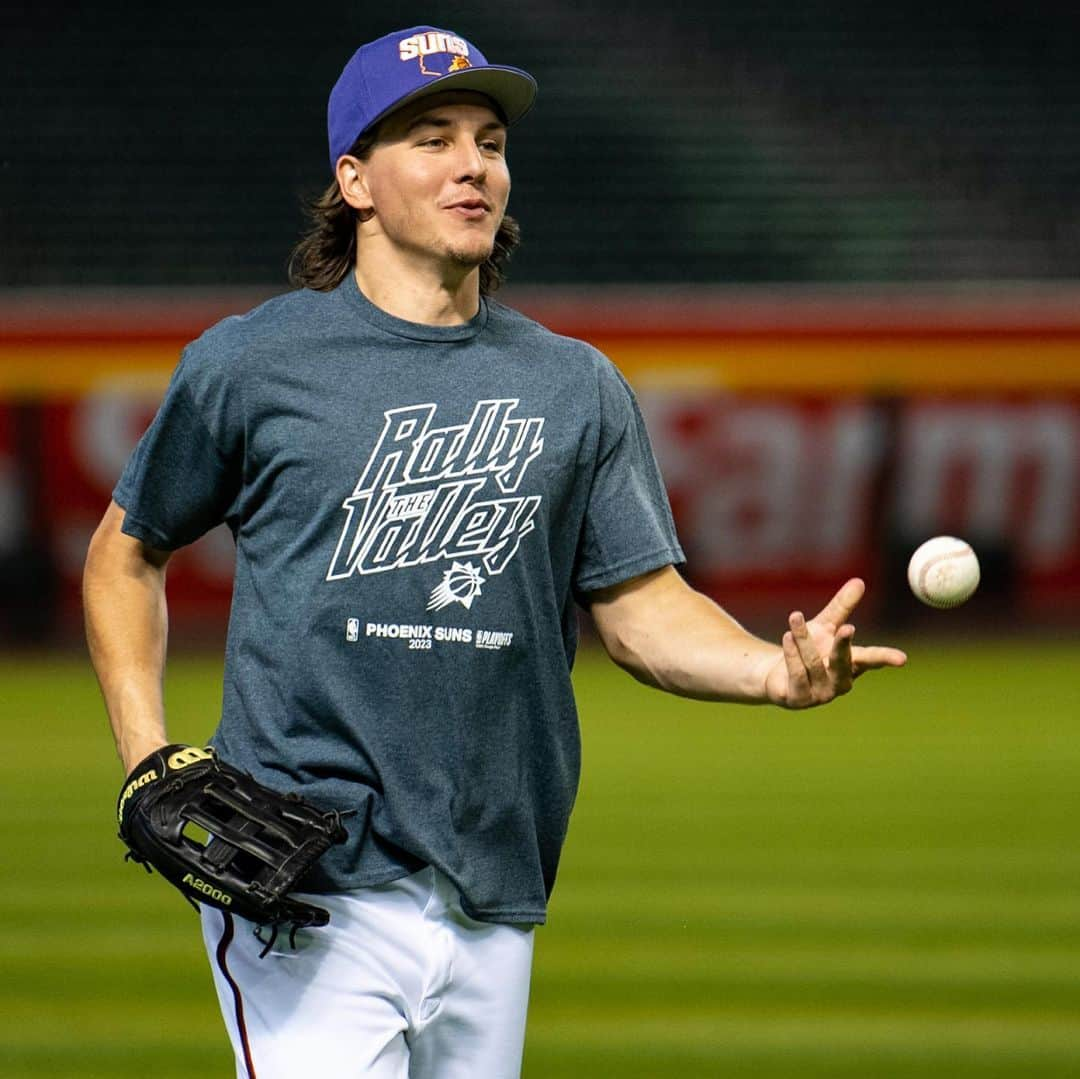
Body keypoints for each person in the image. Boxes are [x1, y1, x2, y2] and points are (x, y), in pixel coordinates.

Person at [82, 25, 907, 1079]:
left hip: (496, 887)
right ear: (355, 180)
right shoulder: (256, 362)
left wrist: (770, 670)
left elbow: (643, 606)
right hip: (306, 877)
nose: (474, 163)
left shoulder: (576, 385)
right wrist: (150, 757)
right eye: (432, 138)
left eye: (489, 140)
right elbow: (125, 551)